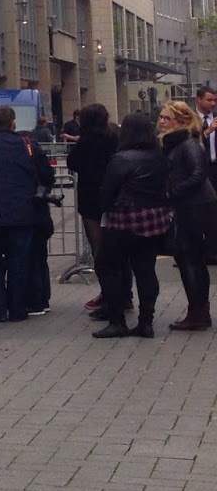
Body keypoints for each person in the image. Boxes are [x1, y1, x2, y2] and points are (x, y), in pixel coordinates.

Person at [0, 106, 53, 323]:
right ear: (13, 123)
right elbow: (47, 176)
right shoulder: (28, 145)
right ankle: (17, 308)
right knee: (20, 262)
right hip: (23, 215)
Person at [92, 112, 171, 339]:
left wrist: (104, 208)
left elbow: (108, 190)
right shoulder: (159, 156)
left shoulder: (121, 158)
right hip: (154, 218)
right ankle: (146, 322)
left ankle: (117, 321)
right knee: (145, 269)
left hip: (125, 218)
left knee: (107, 266)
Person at [159, 102, 216, 332]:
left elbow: (198, 174)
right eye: (161, 117)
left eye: (167, 118)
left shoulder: (188, 143)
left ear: (180, 121)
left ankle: (198, 313)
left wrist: (174, 191)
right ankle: (198, 310)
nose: (162, 121)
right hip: (189, 205)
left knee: (190, 259)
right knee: (188, 259)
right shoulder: (175, 142)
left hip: (196, 206)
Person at [67, 104, 116, 309]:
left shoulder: (85, 142)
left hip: (91, 199)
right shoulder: (115, 138)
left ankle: (109, 294)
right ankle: (124, 294)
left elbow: (72, 162)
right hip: (114, 197)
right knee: (116, 248)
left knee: (99, 249)